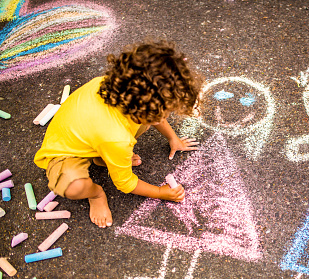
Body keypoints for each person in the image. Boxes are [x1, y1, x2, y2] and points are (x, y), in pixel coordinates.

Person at [34, 40, 202, 228]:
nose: (168, 115)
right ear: (148, 108)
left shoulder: (117, 87)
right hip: (65, 151)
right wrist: (160, 192)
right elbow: (125, 183)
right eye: (166, 111)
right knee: (73, 187)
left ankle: (102, 158)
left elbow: (155, 114)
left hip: (90, 135)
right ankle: (96, 194)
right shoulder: (116, 138)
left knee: (143, 124)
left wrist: (173, 138)